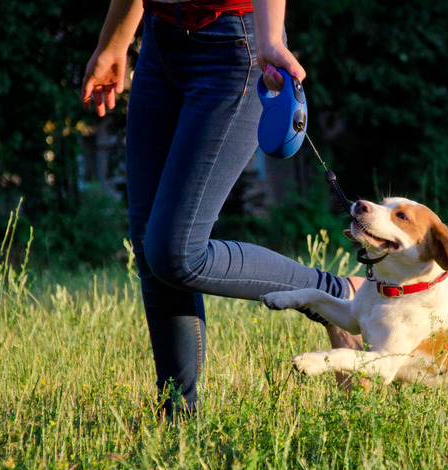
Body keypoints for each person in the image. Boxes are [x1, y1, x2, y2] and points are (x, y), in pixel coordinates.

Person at [82, 0, 362, 415]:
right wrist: (116, 41)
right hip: (160, 42)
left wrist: (269, 37)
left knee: (177, 253)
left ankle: (335, 293)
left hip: (233, 44)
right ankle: (177, 418)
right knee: (150, 247)